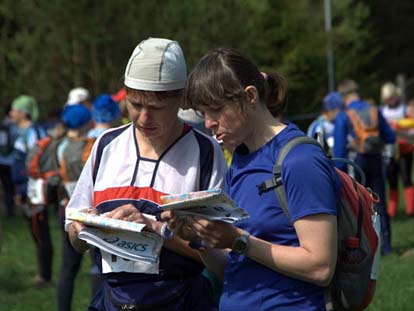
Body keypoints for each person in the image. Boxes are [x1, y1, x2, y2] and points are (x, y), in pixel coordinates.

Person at [162, 47, 340, 310]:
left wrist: (238, 240)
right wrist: (199, 239)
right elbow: (234, 271)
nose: (209, 123)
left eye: (215, 110)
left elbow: (320, 266)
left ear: (251, 96)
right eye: (203, 114)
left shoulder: (300, 160)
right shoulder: (240, 160)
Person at [65, 38, 227, 310]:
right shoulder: (106, 144)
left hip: (181, 300)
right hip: (112, 300)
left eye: (155, 108)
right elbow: (73, 232)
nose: (142, 118)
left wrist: (155, 229)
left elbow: (220, 253)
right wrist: (81, 230)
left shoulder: (205, 152)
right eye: (135, 104)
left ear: (180, 99)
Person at [334, 79, 396, 255]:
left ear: (343, 97)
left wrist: (341, 174)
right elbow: (390, 137)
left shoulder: (344, 115)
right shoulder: (374, 110)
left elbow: (339, 151)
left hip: (356, 162)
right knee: (380, 204)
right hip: (376, 159)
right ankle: (386, 247)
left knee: (359, 206)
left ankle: (365, 248)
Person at [56, 103, 94, 311]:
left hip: (65, 208)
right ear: (85, 122)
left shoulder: (59, 146)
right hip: (89, 211)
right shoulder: (91, 146)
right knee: (99, 266)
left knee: (67, 268)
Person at [8, 95, 47, 284]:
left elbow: (36, 164)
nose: (10, 113)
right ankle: (42, 273)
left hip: (33, 191)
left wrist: (28, 190)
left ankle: (44, 276)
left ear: (23, 113)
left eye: (14, 110)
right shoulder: (20, 132)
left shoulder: (35, 133)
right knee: (35, 232)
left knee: (40, 231)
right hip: (23, 190)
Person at [380, 82, 414, 217]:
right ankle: (391, 211)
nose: (390, 101)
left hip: (404, 149)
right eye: (387, 98)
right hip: (389, 151)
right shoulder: (383, 111)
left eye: (391, 97)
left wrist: (399, 128)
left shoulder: (405, 110)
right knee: (392, 182)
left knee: (406, 179)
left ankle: (411, 210)